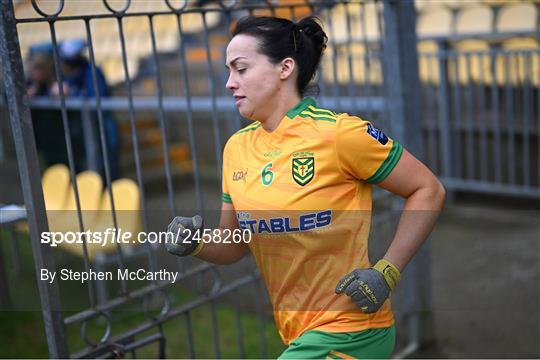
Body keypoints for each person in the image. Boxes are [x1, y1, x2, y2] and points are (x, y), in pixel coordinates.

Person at [165, 16, 445, 359]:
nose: (229, 83)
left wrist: (386, 272)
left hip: (352, 332)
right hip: (298, 334)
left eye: (241, 69)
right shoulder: (235, 149)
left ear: (285, 68)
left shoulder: (340, 135)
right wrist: (195, 243)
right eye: (228, 70)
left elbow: (428, 189)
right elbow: (234, 243)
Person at [53, 39, 121, 180]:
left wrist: (71, 93)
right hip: (86, 127)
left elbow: (96, 96)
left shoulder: (92, 72)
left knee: (108, 161)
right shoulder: (70, 76)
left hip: (103, 123)